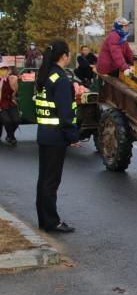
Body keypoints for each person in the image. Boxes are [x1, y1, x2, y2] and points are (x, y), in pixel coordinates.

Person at [35, 40, 80, 233]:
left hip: (45, 134)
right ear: (64, 56)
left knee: (44, 179)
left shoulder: (47, 76)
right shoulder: (61, 79)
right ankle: (52, 222)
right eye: (69, 53)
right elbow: (65, 113)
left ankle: (44, 219)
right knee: (52, 181)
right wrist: (73, 137)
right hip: (56, 138)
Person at [0, 61, 19, 146]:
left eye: (5, 69)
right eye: (2, 69)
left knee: (16, 120)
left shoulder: (11, 79)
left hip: (10, 102)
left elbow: (14, 93)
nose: (3, 71)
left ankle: (9, 135)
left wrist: (14, 83)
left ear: (8, 70)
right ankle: (11, 137)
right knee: (7, 121)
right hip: (1, 104)